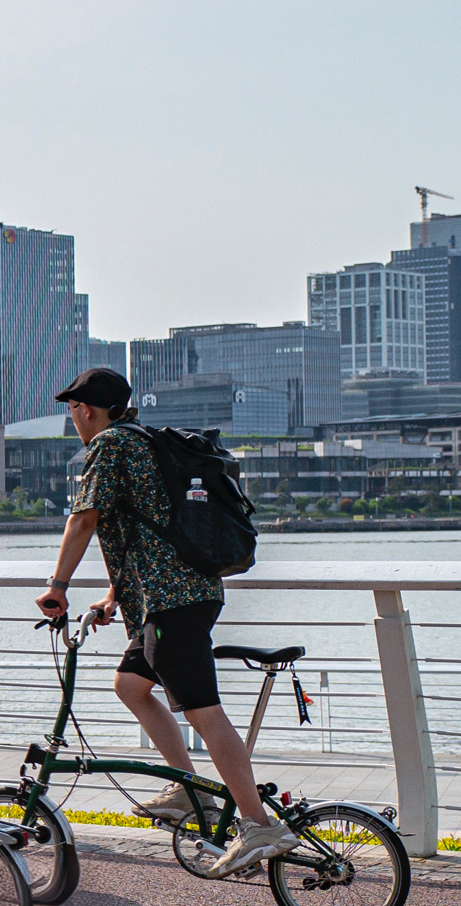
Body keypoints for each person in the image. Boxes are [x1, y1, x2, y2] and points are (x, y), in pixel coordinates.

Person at [34, 367, 298, 877]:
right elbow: (149, 528)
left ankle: (257, 824)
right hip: (179, 597)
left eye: (73, 410)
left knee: (204, 711)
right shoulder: (145, 440)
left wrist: (58, 586)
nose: (75, 420)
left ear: (84, 410)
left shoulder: (110, 445)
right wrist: (114, 596)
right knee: (130, 685)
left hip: (171, 605)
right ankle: (187, 790)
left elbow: (84, 519)